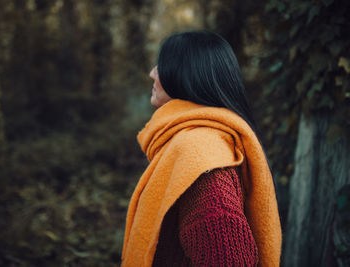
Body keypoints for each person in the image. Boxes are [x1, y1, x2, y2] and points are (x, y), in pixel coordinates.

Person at [121, 30, 282, 267]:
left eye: (162, 65)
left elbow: (230, 259)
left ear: (185, 75)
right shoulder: (197, 140)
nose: (152, 72)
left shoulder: (199, 156)